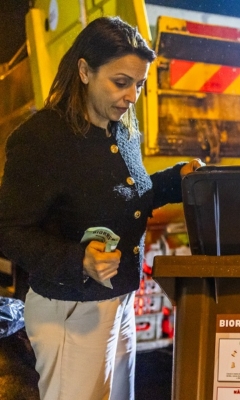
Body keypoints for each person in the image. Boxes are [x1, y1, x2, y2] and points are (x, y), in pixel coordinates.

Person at [0, 16, 203, 400]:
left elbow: (130, 195)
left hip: (118, 302)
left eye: (139, 85)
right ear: (84, 71)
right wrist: (79, 260)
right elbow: (9, 231)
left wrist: (179, 178)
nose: (131, 96)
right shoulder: (41, 138)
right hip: (71, 314)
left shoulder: (123, 130)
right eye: (121, 82)